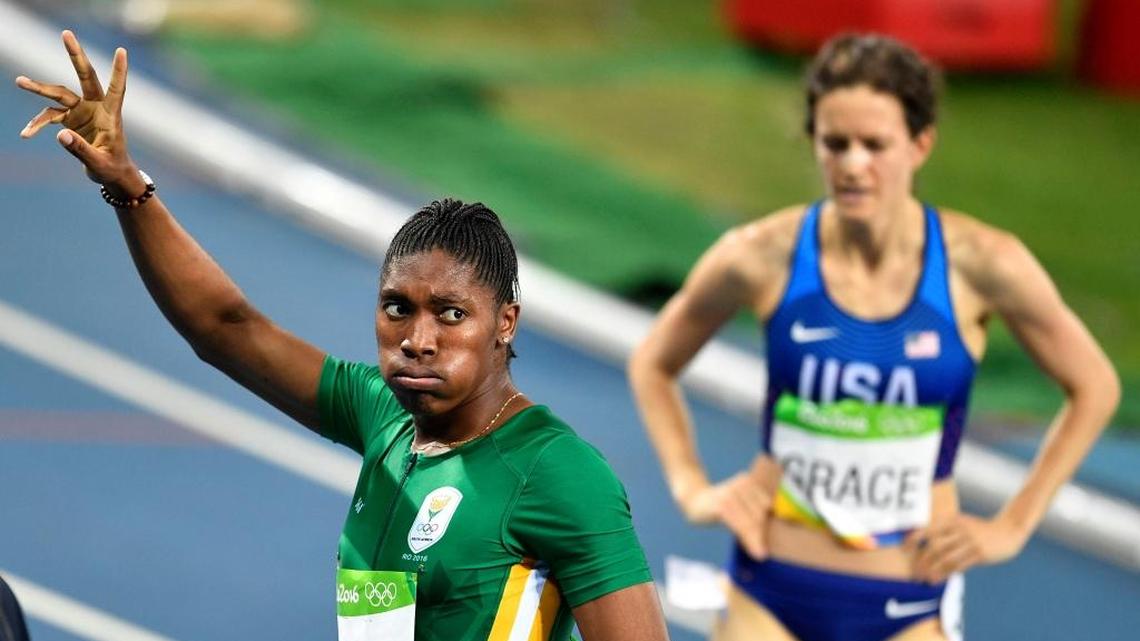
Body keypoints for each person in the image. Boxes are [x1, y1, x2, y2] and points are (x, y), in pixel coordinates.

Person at [15, 30, 671, 641]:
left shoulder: (554, 473)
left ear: (505, 321)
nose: (417, 338)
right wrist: (129, 188)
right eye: (396, 308)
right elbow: (225, 328)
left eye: (449, 314)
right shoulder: (382, 415)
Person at [628, 33, 1120, 641]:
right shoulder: (761, 256)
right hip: (770, 590)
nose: (853, 164)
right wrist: (692, 488)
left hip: (909, 599)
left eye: (874, 145)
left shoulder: (982, 264)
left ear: (920, 144)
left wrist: (1011, 526)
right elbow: (654, 362)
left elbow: (1095, 384)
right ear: (814, 144)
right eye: (835, 144)